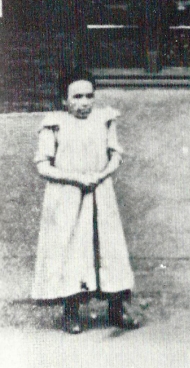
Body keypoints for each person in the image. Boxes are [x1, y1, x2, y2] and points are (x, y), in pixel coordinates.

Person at [31, 69, 139, 333]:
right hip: (68, 196)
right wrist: (75, 179)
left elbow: (115, 154)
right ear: (64, 100)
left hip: (100, 192)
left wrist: (101, 174)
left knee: (107, 248)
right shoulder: (54, 124)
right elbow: (43, 165)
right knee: (72, 250)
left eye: (89, 96)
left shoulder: (104, 120)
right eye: (77, 97)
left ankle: (116, 309)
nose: (84, 102)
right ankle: (71, 313)